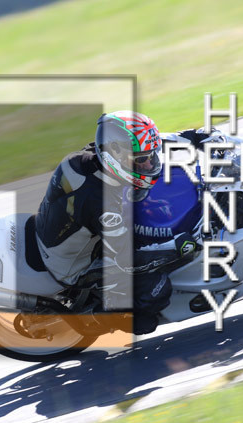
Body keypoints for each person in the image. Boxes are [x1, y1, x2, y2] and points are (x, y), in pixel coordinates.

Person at [34, 111, 201, 334]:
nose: (149, 164)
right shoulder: (101, 203)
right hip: (75, 264)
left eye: (151, 156)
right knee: (156, 291)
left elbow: (142, 143)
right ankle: (102, 318)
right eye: (141, 160)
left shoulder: (90, 156)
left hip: (63, 229)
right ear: (115, 156)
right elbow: (128, 261)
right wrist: (178, 246)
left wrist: (190, 137)